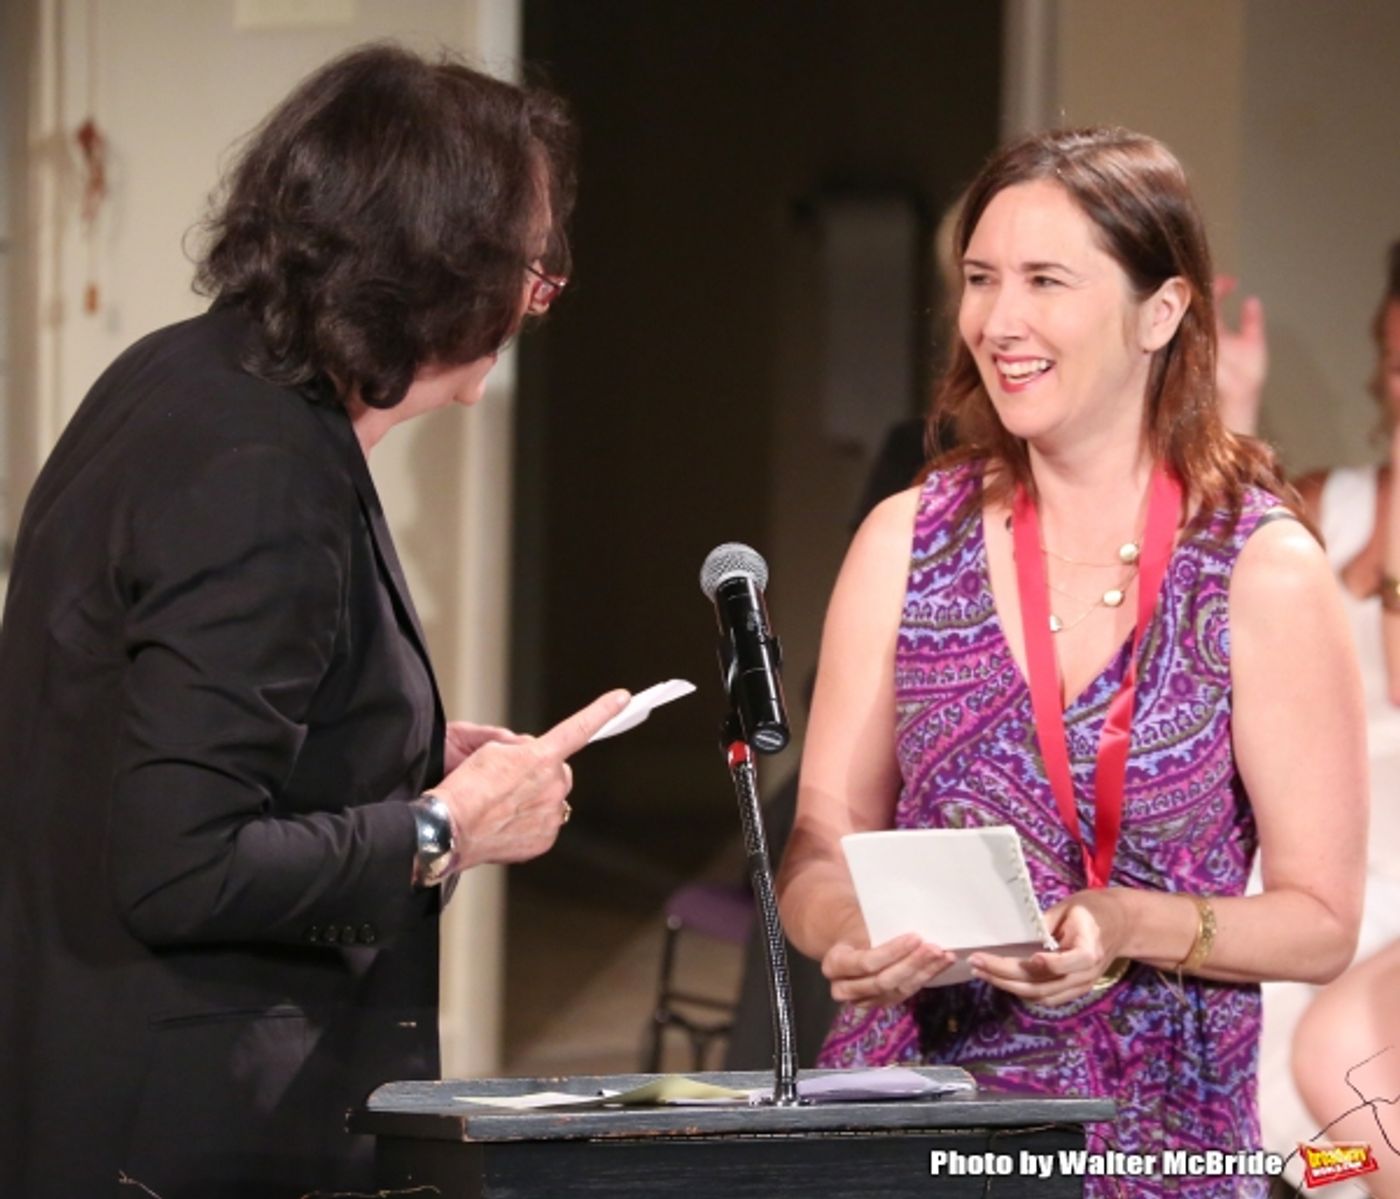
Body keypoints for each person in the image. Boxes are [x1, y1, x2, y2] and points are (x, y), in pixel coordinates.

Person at [0, 44, 628, 1199]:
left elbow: (163, 728)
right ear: (437, 263)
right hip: (191, 1126)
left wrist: (392, 749)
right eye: (532, 265)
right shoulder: (259, 465)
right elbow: (177, 866)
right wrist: (445, 828)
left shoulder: (185, 374)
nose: (540, 295)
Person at [775, 127, 1366, 1196]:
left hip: (1151, 1138)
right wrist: (844, 928)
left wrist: (1121, 922)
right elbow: (819, 839)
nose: (999, 321)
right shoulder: (906, 538)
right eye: (979, 280)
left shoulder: (1258, 569)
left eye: (1044, 280)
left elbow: (1321, 923)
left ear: (1160, 311)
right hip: (914, 1119)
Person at [1277, 241, 1400, 1195]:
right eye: (1389, 357)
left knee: (1336, 1058)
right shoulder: (1332, 501)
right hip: (1319, 841)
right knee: (1291, 1095)